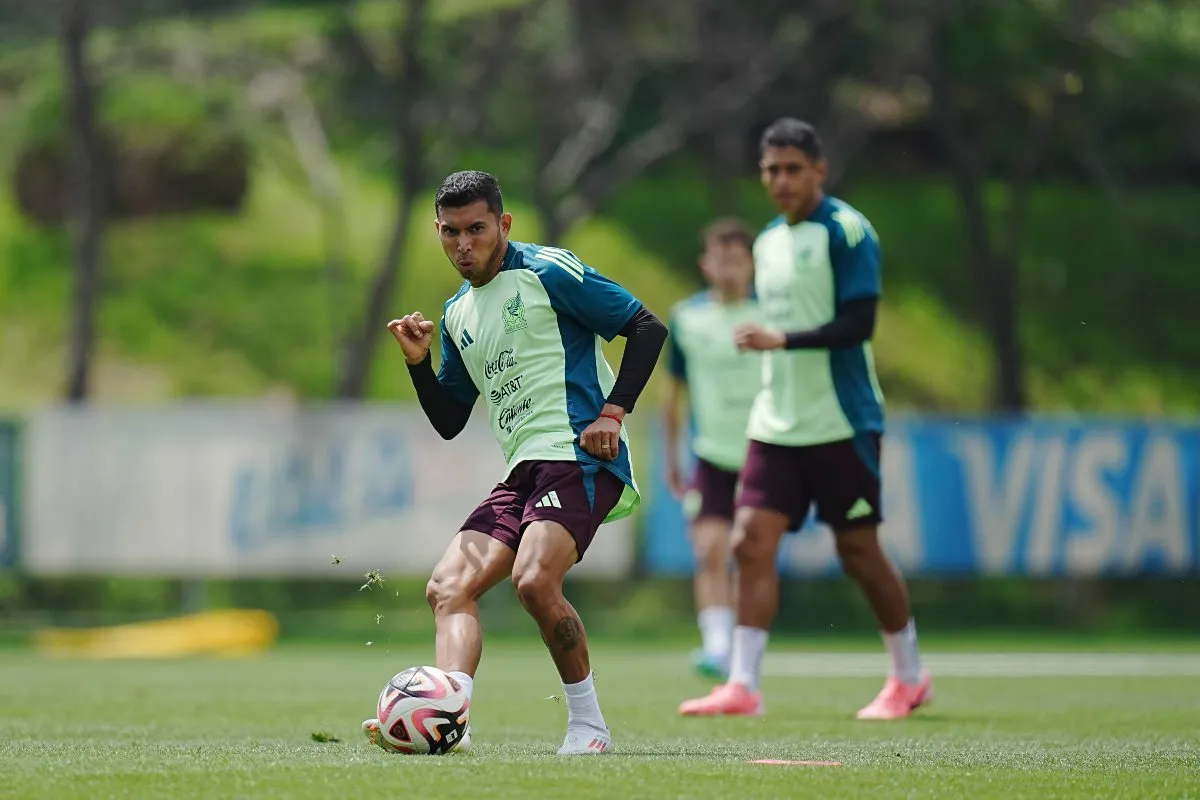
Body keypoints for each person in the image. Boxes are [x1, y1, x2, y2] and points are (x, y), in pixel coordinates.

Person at [363, 170, 667, 755]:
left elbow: (646, 329)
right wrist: (419, 364)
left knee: (533, 580)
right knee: (446, 587)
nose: (463, 245)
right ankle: (451, 720)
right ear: (438, 231)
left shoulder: (548, 271)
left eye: (476, 229)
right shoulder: (457, 314)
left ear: (503, 224)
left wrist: (612, 414)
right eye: (450, 233)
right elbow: (451, 421)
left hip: (578, 456)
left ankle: (590, 728)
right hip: (522, 472)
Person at [678, 118, 932, 721]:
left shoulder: (847, 232)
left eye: (794, 168)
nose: (782, 180)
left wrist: (781, 340)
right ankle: (743, 685)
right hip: (776, 422)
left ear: (819, 170)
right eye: (772, 170)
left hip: (842, 418)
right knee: (749, 541)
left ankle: (910, 675)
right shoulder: (767, 241)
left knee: (858, 551)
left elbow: (858, 326)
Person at [663, 218, 761, 679]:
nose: (728, 268)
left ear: (753, 265)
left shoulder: (773, 317)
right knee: (708, 549)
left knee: (748, 552)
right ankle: (717, 646)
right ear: (705, 263)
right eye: (720, 258)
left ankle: (744, 647)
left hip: (764, 452)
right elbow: (674, 392)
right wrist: (670, 457)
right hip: (709, 453)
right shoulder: (686, 318)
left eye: (737, 260)